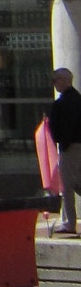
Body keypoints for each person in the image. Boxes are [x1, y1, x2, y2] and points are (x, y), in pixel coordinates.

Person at [49, 68, 81, 234]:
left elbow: (63, 127)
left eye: (55, 80)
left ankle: (69, 222)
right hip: (76, 145)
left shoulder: (63, 103)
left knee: (67, 185)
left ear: (63, 80)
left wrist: (63, 143)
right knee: (77, 182)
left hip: (70, 147)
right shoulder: (77, 99)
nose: (54, 84)